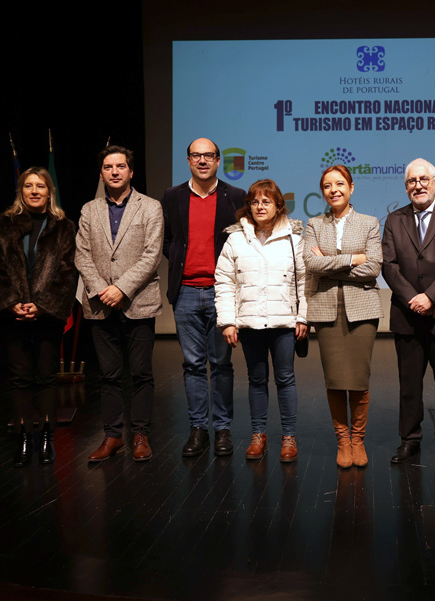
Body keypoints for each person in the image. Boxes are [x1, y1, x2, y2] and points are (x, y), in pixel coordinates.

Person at [0, 167, 77, 466]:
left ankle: (47, 437)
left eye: (40, 186)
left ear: (50, 192)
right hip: (14, 314)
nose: (34, 191)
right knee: (20, 377)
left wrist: (42, 305)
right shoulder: (5, 223)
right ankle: (24, 437)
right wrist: (12, 303)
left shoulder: (63, 226)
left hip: (48, 313)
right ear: (21, 191)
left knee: (47, 377)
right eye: (28, 186)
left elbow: (68, 272)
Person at [77, 146, 164, 462]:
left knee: (141, 374)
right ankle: (113, 436)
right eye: (108, 167)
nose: (114, 171)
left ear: (131, 171)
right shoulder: (89, 209)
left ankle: (140, 435)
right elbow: (82, 255)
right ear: (101, 174)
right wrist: (104, 290)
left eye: (120, 166)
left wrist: (121, 289)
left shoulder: (150, 207)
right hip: (100, 304)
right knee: (109, 375)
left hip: (138, 302)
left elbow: (152, 255)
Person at [381, 158, 435, 468]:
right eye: (411, 181)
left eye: (423, 179)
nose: (417, 185)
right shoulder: (394, 220)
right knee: (409, 386)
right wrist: (413, 299)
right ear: (405, 187)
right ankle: (409, 439)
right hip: (407, 316)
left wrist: (431, 297)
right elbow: (389, 265)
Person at [162, 138, 246, 458]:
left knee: (222, 364)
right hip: (184, 292)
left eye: (208, 155)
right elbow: (168, 240)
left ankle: (222, 428)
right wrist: (181, 263)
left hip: (221, 292)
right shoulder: (173, 196)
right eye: (196, 155)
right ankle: (198, 428)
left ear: (218, 161)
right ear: (188, 161)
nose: (202, 160)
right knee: (193, 365)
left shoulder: (234, 195)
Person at [214, 179, 308, 462]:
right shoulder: (235, 239)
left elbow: (305, 282)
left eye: (266, 201)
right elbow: (224, 281)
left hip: (284, 323)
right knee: (256, 380)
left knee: (285, 379)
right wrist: (228, 321)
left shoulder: (294, 240)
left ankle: (289, 437)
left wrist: (303, 317)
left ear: (279, 206)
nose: (259, 206)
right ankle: (259, 435)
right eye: (254, 202)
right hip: (249, 322)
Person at [304, 164, 382, 468]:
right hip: (325, 308)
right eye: (327, 186)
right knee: (335, 378)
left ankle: (358, 440)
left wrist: (331, 263)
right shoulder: (314, 224)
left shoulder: (369, 223)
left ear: (351, 187)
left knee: (359, 378)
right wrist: (353, 259)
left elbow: (373, 268)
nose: (333, 190)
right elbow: (312, 264)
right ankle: (343, 440)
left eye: (339, 184)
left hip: (362, 309)